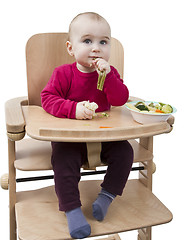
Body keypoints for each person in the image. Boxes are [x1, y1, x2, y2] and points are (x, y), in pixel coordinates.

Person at [41, 12, 133, 239]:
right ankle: (72, 209)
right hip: (71, 139)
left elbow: (121, 99)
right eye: (87, 41)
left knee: (125, 152)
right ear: (71, 48)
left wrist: (110, 76)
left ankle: (106, 197)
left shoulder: (110, 74)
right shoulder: (63, 74)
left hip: (105, 136)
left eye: (103, 42)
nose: (96, 48)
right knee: (62, 160)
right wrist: (73, 110)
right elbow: (47, 98)